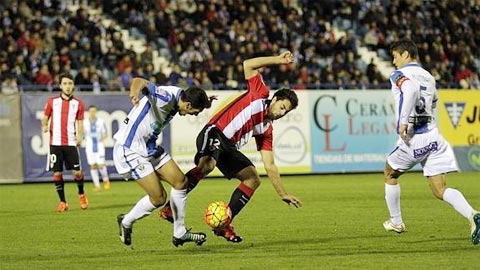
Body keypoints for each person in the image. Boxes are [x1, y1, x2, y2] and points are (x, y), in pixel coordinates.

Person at [159, 51, 303, 243]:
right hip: (215, 132)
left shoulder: (266, 129)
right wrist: (278, 60)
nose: (282, 113)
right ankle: (169, 208)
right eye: (282, 107)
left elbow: (270, 165)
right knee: (207, 165)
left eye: (287, 112)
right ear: (275, 100)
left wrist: (282, 193)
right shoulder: (260, 94)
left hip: (229, 147)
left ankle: (224, 223)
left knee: (252, 179)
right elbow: (248, 64)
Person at [383, 39, 479, 245]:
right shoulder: (429, 76)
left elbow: (409, 90)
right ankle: (473, 215)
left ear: (406, 55)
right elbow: (434, 101)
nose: (393, 61)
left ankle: (397, 222)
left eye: (395, 56)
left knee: (390, 173)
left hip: (414, 135)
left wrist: (403, 121)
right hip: (433, 134)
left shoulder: (399, 75)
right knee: (440, 189)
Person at [114, 77, 215, 247]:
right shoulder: (165, 98)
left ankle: (180, 233)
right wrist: (134, 93)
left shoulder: (180, 98)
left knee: (181, 182)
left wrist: (206, 102)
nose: (193, 115)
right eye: (195, 112)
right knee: (159, 197)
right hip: (130, 148)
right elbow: (140, 81)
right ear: (188, 105)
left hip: (149, 146)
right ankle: (126, 222)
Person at [41, 73, 88, 212]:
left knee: (77, 172)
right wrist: (44, 126)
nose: (67, 86)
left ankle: (81, 194)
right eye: (65, 84)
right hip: (55, 143)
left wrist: (79, 136)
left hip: (70, 143)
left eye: (70, 83)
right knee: (57, 173)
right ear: (60, 85)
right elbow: (45, 118)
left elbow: (80, 123)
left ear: (73, 85)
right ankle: (63, 202)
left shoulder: (78, 103)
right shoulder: (52, 102)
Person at [83, 105, 111, 191]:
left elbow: (106, 134)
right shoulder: (85, 122)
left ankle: (106, 180)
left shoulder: (101, 121)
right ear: (88, 112)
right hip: (89, 147)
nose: (92, 113)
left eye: (94, 111)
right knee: (92, 166)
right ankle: (97, 185)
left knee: (101, 165)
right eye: (91, 111)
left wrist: (101, 139)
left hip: (99, 146)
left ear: (96, 112)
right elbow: (82, 133)